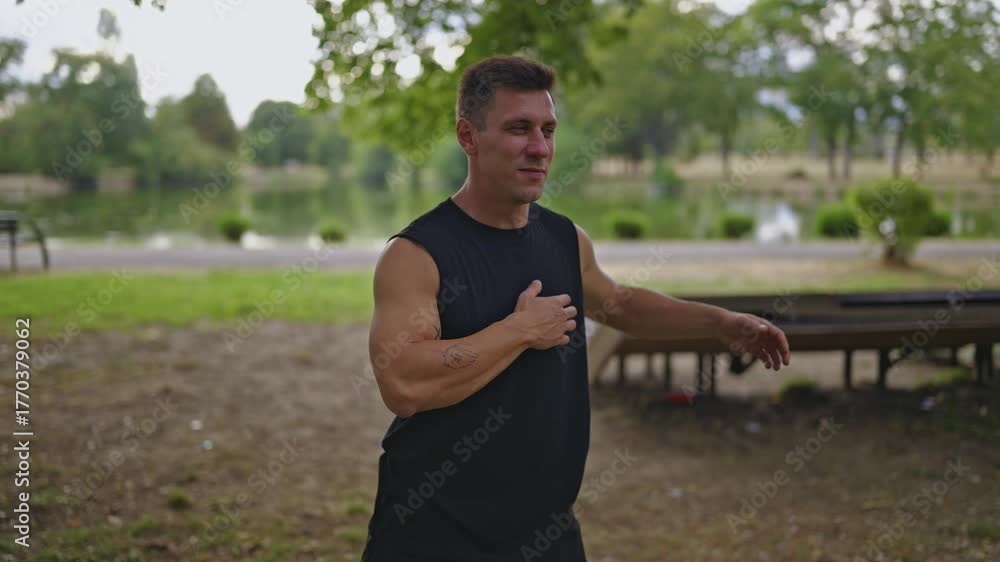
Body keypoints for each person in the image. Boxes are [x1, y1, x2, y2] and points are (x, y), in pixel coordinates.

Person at [361, 55, 791, 562]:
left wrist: (720, 323)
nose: (539, 148)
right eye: (518, 129)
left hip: (545, 530)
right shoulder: (417, 254)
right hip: (432, 532)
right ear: (468, 136)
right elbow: (403, 383)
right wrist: (519, 331)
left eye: (547, 130)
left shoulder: (565, 239)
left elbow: (621, 305)